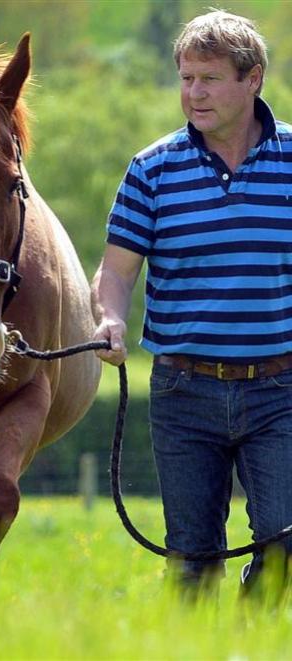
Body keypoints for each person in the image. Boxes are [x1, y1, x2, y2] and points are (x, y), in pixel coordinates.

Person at [92, 9, 292, 594]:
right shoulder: (152, 170)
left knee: (284, 549)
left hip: (281, 390)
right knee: (192, 562)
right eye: (185, 79)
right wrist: (108, 316)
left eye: (208, 79)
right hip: (184, 390)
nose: (193, 93)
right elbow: (115, 270)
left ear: (252, 79)